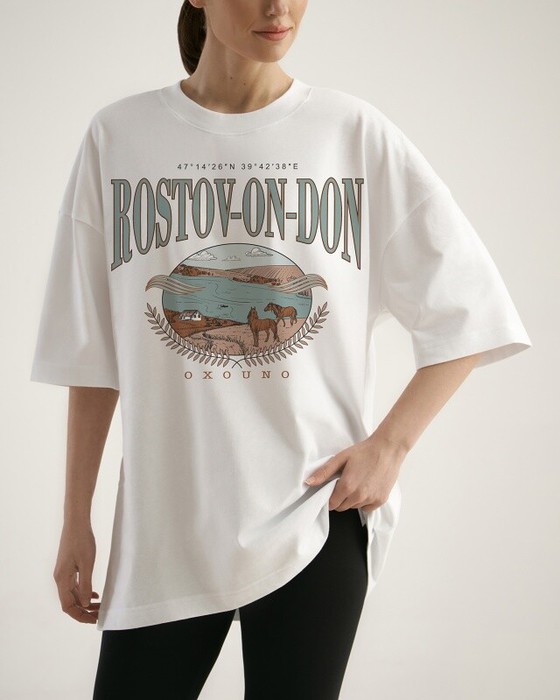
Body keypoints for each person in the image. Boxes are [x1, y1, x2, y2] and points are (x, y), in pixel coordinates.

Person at [29, 1, 532, 698]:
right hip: (165, 530)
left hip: (315, 516)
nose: (278, 7)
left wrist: (390, 447)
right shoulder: (119, 137)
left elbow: (469, 303)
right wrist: (75, 520)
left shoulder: (351, 134)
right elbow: (90, 352)